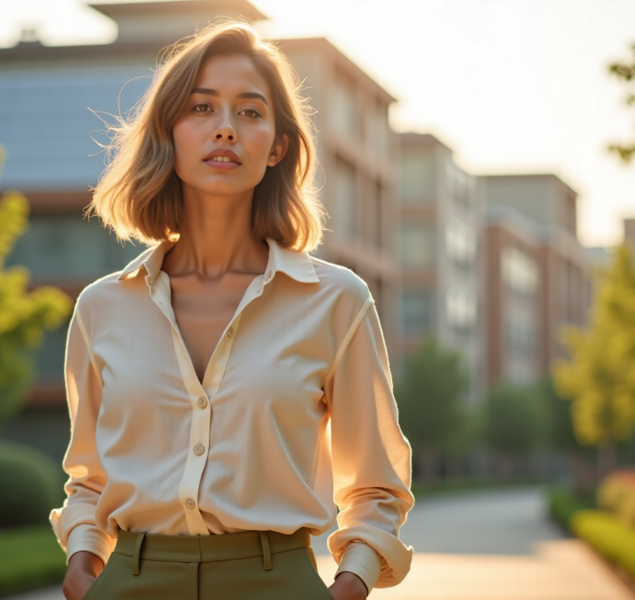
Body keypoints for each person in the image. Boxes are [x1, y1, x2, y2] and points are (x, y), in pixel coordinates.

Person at [49, 20, 414, 600]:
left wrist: (351, 582)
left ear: (277, 147)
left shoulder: (336, 301)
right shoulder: (102, 308)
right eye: (201, 108)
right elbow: (90, 479)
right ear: (169, 134)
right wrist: (83, 561)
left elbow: (375, 485)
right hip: (131, 583)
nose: (225, 128)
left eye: (249, 112)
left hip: (277, 583)